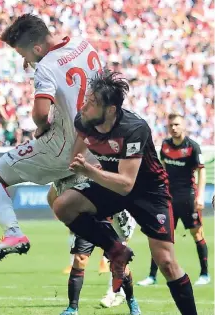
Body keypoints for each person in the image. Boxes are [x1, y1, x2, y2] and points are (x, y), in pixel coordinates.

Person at [53, 70, 198, 314]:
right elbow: (77, 154)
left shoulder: (134, 128)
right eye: (87, 99)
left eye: (93, 103)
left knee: (166, 262)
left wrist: (88, 169)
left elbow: (127, 184)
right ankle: (116, 250)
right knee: (63, 205)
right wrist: (81, 164)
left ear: (110, 109)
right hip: (110, 181)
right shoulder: (84, 120)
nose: (85, 106)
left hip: (149, 192)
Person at [0, 13, 103, 262]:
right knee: (66, 202)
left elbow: (41, 114)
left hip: (63, 145)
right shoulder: (82, 44)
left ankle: (13, 234)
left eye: (24, 55)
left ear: (36, 47)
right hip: (95, 142)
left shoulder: (46, 68)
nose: (25, 60)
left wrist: (41, 127)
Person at [48, 181, 141, 315]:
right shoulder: (64, 174)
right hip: (86, 220)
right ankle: (72, 308)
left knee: (119, 262)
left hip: (106, 220)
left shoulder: (96, 167)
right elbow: (52, 193)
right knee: (79, 260)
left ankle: (132, 302)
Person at [137, 113, 209, 286]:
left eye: (177, 124)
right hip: (167, 198)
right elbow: (161, 169)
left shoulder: (193, 147)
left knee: (196, 234)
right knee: (159, 235)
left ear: (183, 126)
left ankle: (205, 274)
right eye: (171, 125)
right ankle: (152, 276)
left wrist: (199, 196)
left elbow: (202, 171)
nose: (174, 128)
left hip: (187, 198)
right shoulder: (165, 146)